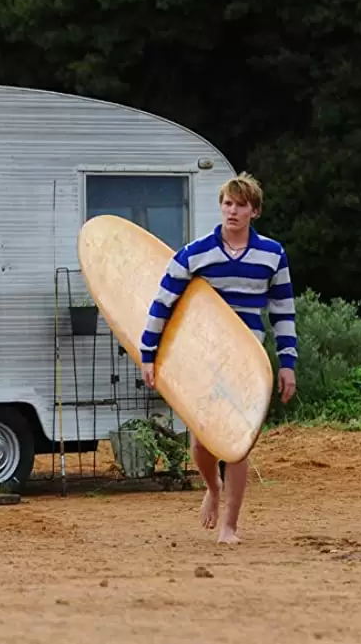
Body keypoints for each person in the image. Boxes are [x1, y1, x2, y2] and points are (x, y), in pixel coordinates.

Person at [139, 172, 297, 544]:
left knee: (237, 444)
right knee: (200, 442)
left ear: (254, 211)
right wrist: (148, 354)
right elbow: (162, 303)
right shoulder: (196, 253)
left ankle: (231, 525)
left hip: (248, 362)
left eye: (241, 205)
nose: (232, 211)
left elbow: (283, 312)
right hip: (204, 360)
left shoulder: (272, 255)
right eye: (228, 203)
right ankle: (212, 486)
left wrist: (287, 364)